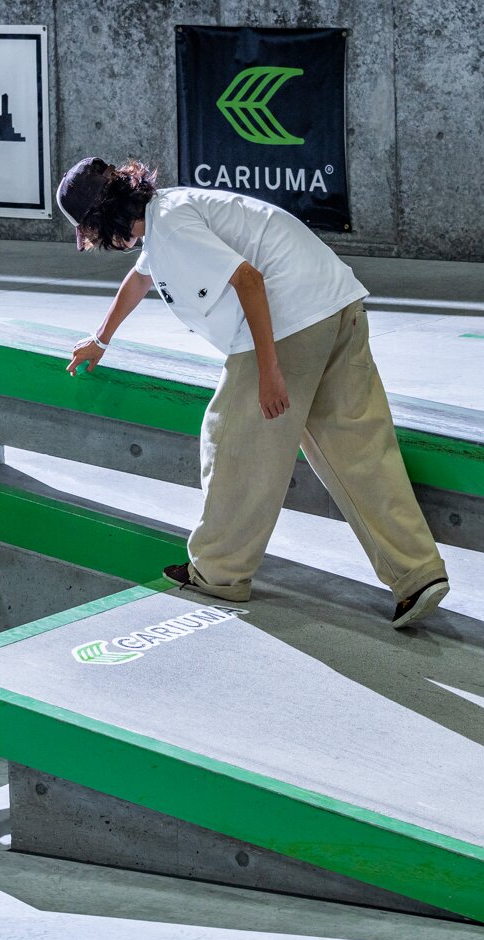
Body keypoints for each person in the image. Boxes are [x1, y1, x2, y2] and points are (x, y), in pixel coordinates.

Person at [59, 156, 449, 629]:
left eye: (92, 233)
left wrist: (269, 370)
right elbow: (140, 278)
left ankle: (218, 572)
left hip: (290, 318)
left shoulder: (172, 225)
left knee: (233, 440)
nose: (98, 243)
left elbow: (248, 279)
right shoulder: (167, 215)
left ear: (104, 219)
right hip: (336, 301)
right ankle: (417, 574)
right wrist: (101, 339)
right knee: (358, 449)